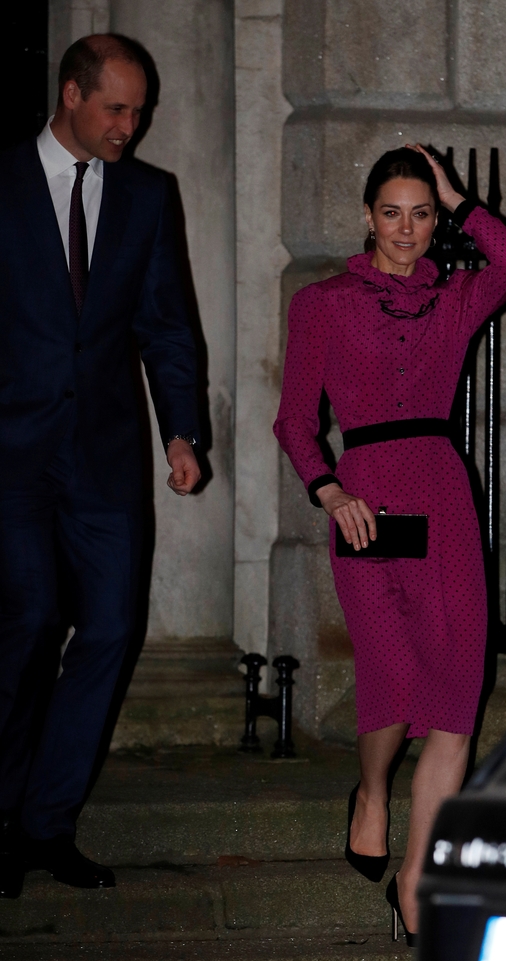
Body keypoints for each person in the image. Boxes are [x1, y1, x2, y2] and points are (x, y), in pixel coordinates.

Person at [274, 145, 506, 944]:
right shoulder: (323, 302)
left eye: (421, 213)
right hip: (362, 499)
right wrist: (329, 488)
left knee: (457, 686)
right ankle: (371, 788)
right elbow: (294, 418)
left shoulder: (455, 299)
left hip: (442, 493)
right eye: (393, 212)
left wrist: (460, 197)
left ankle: (417, 878)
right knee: (393, 669)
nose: (407, 229)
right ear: (367, 216)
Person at [0, 34, 201, 898]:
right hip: (10, 458)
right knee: (27, 623)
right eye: (117, 108)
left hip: (108, 458)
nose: (132, 125)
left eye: (141, 110)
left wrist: (182, 431)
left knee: (113, 630)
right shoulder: (2, 183)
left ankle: (47, 825)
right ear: (71, 95)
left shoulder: (151, 195)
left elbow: (166, 321)